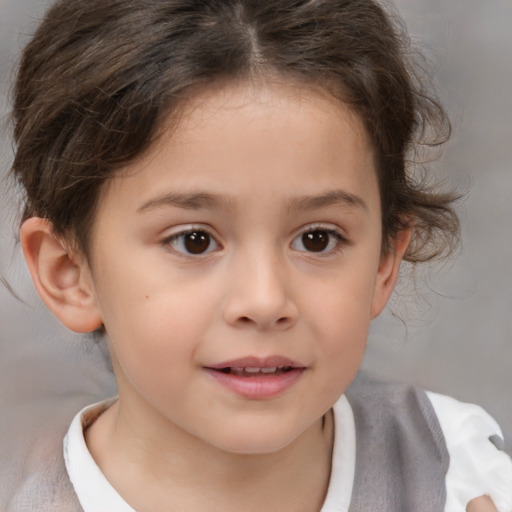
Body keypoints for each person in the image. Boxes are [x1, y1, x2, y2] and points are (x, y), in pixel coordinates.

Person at [8, 0, 512, 510]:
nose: (265, 300)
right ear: (69, 273)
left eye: (318, 239)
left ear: (384, 262)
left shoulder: (460, 474)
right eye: (194, 240)